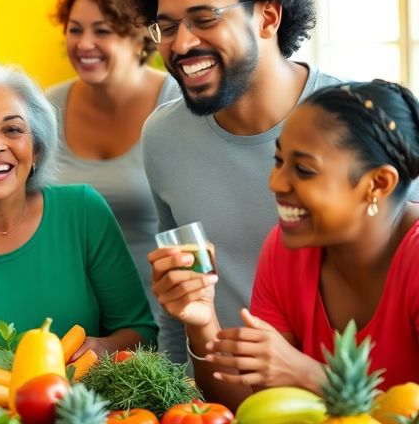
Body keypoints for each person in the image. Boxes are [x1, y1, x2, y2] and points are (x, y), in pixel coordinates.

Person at [118, 0, 343, 364]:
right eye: (166, 26)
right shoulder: (164, 136)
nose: (181, 45)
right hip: (221, 402)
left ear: (268, 17)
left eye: (204, 18)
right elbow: (180, 310)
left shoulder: (358, 121)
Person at [153, 81, 419, 405]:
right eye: (279, 161)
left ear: (377, 183)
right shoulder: (285, 248)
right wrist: (203, 320)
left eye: (304, 170)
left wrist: (308, 375)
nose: (275, 182)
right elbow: (253, 407)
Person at [0, 64, 157, 360]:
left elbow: (140, 333)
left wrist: (102, 349)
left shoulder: (83, 212)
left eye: (13, 129)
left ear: (35, 149)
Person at [45, 0, 179, 319]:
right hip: (73, 323)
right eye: (75, 30)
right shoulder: (46, 108)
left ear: (139, 38)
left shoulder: (176, 104)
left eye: (102, 31)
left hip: (162, 319)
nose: (84, 43)